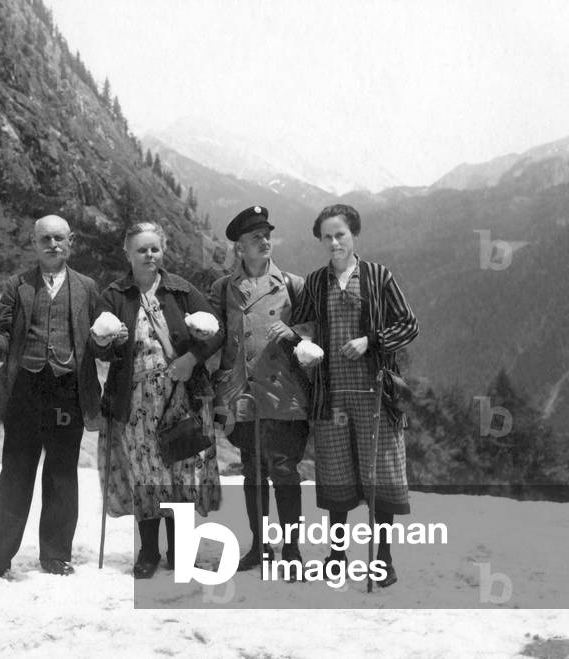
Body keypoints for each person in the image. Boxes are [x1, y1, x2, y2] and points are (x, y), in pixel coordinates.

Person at [0, 215, 102, 585]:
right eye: (45, 239)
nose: (52, 245)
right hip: (25, 389)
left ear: (71, 241)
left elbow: (98, 342)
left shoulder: (87, 288)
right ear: (34, 243)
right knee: (15, 472)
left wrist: (108, 340)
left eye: (59, 238)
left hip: (68, 390)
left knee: (62, 474)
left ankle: (55, 556)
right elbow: (3, 341)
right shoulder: (17, 285)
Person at [291, 204, 418, 588]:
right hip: (331, 396)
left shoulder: (378, 277)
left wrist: (371, 340)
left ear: (354, 234)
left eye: (340, 235)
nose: (334, 243)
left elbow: (408, 325)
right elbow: (301, 326)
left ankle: (383, 559)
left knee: (381, 477)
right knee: (337, 477)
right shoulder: (315, 283)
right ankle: (337, 555)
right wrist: (305, 345)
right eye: (327, 237)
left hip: (375, 394)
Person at [92, 222, 223, 579]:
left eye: (155, 249)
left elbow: (217, 331)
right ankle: (148, 551)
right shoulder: (115, 295)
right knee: (145, 475)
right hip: (134, 402)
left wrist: (190, 359)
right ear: (128, 253)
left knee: (182, 472)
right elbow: (98, 346)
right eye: (141, 250)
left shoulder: (181, 290)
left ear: (163, 250)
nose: (149, 255)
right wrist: (105, 342)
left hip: (182, 396)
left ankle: (179, 551)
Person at [208, 206, 310, 574]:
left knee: (285, 471)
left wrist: (295, 334)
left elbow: (312, 332)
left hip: (283, 393)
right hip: (242, 395)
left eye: (266, 235)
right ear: (240, 247)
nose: (265, 241)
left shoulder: (294, 285)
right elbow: (214, 337)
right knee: (252, 472)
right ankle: (259, 546)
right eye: (255, 237)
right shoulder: (223, 288)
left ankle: (292, 549)